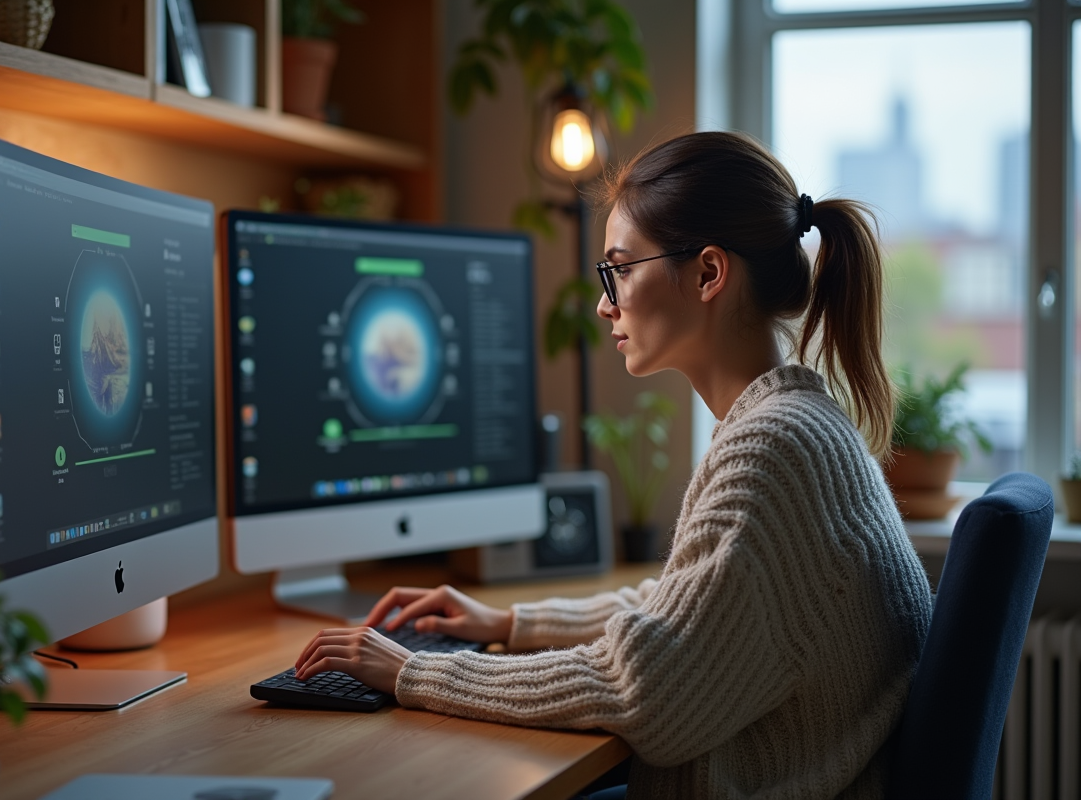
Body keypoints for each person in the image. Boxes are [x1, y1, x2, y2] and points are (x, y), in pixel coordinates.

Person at [293, 131, 933, 800]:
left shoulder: (770, 451)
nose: (605, 304)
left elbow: (643, 693)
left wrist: (413, 674)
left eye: (620, 269)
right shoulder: (793, 425)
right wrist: (508, 625)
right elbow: (681, 611)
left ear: (709, 273)